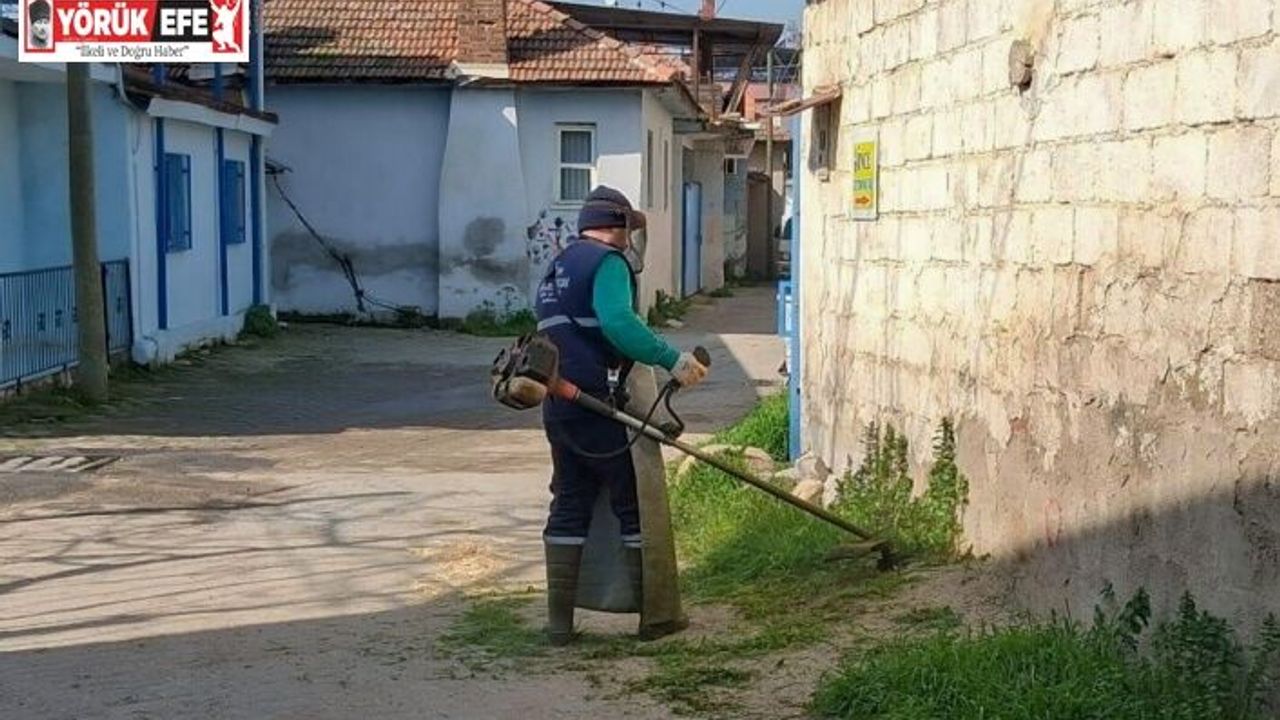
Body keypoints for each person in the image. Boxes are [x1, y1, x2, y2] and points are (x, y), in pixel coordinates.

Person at [535, 186, 709, 646]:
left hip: (558, 403)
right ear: (618, 226)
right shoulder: (606, 263)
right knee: (634, 501)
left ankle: (558, 625)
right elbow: (618, 323)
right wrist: (672, 359)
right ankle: (656, 618)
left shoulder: (558, 266)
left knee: (570, 500)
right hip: (597, 400)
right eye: (630, 229)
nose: (632, 239)